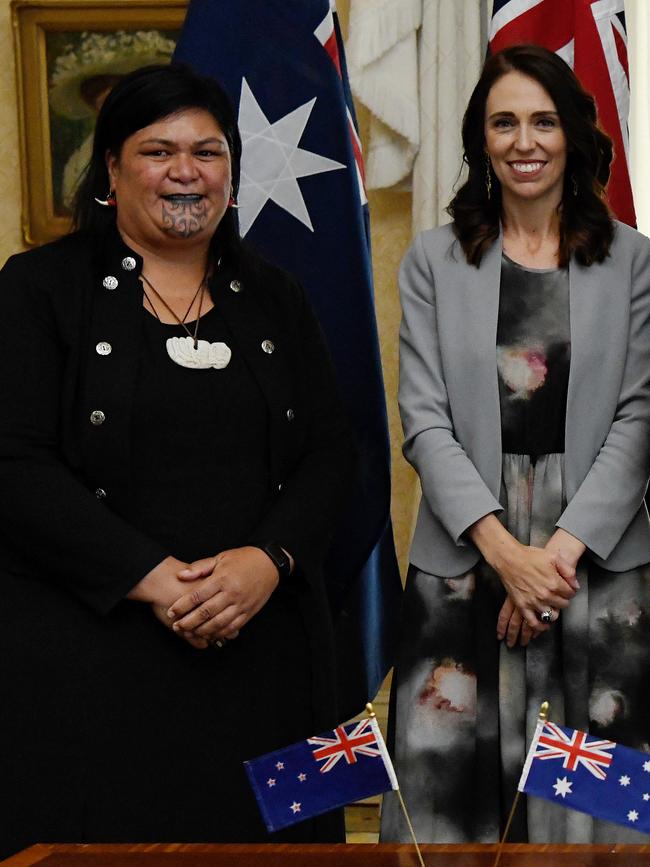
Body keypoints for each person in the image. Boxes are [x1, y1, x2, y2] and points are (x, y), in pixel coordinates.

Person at [0, 63, 355, 858]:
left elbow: (333, 449)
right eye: (159, 151)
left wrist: (267, 562)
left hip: (268, 653)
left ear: (232, 170)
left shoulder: (277, 294)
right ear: (112, 171)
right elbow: (13, 464)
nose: (186, 172)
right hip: (92, 662)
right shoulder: (36, 289)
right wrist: (159, 578)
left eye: (209, 150)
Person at [381, 44, 650, 845]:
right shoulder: (433, 258)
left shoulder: (634, 258)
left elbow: (641, 418)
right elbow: (423, 420)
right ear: (482, 139)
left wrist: (554, 559)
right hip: (469, 560)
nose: (524, 140)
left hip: (597, 568)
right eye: (504, 122)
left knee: (600, 807)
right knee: (449, 799)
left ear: (572, 134)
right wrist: (507, 554)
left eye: (543, 120)